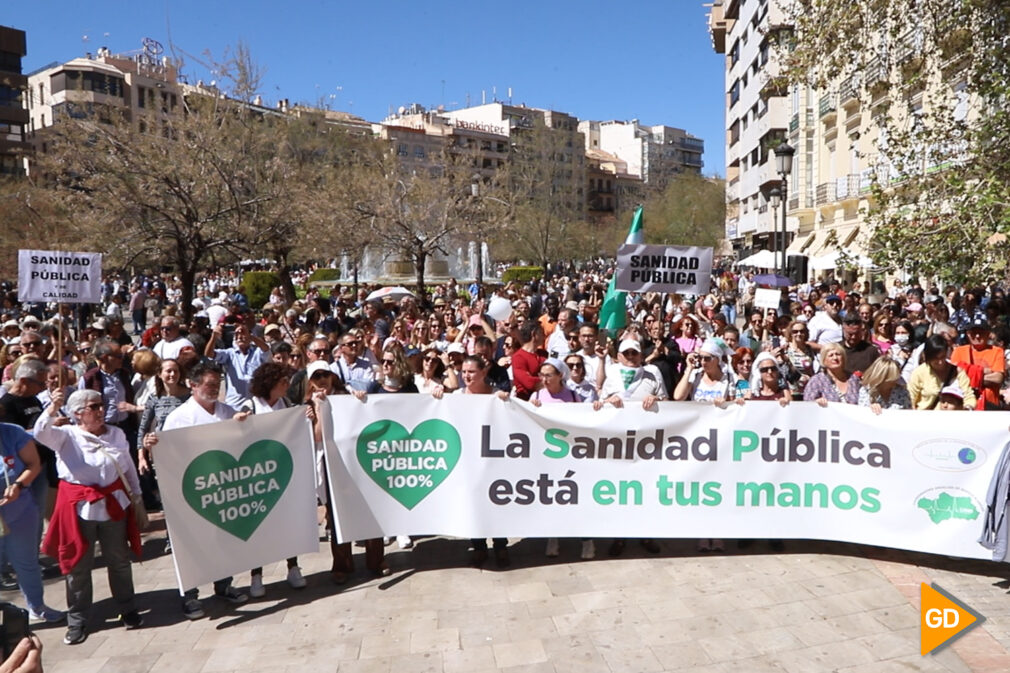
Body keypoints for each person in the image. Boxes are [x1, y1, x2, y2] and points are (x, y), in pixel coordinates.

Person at [35, 389, 144, 645]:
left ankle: (127, 608)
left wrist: (137, 495)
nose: (100, 410)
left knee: (118, 559)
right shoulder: (65, 435)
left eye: (101, 405)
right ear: (77, 414)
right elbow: (40, 432)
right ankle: (78, 619)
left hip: (113, 505)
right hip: (79, 508)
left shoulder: (115, 434)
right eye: (93, 407)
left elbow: (126, 464)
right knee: (78, 565)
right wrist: (53, 407)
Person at [152, 361, 250, 619]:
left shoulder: (227, 411)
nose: (215, 389)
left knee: (222, 538)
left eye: (217, 384)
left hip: (223, 486)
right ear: (192, 385)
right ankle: (190, 596)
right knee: (191, 543)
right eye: (209, 384)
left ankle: (223, 583)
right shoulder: (178, 418)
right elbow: (167, 453)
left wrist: (243, 424)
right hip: (190, 487)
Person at [433, 355, 511, 567]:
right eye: (464, 372)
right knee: (473, 503)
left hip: (493, 459)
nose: (466, 376)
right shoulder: (456, 395)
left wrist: (506, 401)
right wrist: (438, 394)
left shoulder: (496, 394)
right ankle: (478, 546)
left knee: (496, 502)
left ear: (483, 372)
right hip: (467, 462)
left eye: (471, 372)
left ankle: (500, 545)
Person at [246, 362, 307, 596]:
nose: (287, 385)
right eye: (283, 381)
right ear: (270, 383)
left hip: (283, 472)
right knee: (259, 526)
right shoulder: (250, 406)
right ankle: (256, 575)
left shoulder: (287, 404)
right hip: (257, 476)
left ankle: (293, 567)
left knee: (287, 523)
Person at [0, 420, 63, 626]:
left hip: (20, 511)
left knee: (26, 562)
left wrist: (18, 484)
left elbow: (33, 464)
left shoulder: (12, 432)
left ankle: (37, 607)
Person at [908, 335, 976, 410]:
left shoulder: (957, 371)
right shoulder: (919, 373)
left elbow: (968, 395)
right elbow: (911, 399)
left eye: (942, 357)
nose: (940, 362)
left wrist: (968, 407)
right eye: (936, 358)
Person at [950, 317, 1005, 410]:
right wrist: (985, 372)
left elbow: (998, 378)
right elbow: (954, 377)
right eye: (974, 333)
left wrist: (968, 375)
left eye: (981, 332)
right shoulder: (959, 351)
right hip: (965, 404)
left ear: (988, 334)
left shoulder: (997, 351)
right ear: (968, 334)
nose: (978, 336)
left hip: (990, 405)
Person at [673, 338, 732, 404]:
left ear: (718, 360)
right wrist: (689, 368)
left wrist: (724, 402)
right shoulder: (695, 375)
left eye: (707, 358)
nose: (703, 362)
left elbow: (733, 403)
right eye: (700, 357)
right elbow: (678, 397)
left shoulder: (728, 379)